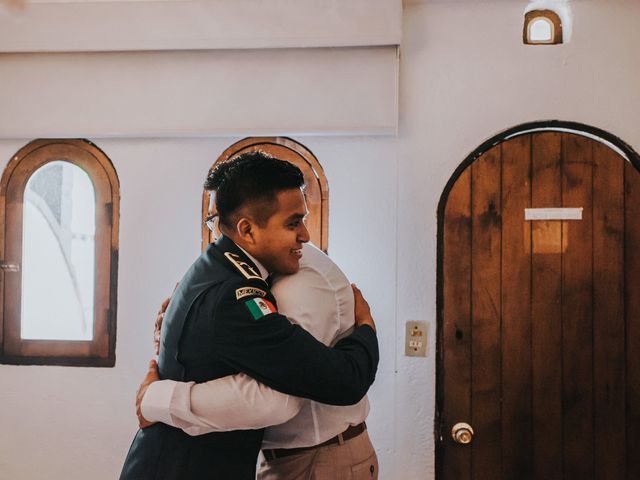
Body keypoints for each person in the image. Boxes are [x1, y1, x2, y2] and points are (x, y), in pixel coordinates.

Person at [119, 152, 379, 480]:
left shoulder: (214, 267)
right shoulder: (234, 296)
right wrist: (367, 327)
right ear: (248, 230)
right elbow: (339, 382)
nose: (306, 235)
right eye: (292, 222)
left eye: (304, 219)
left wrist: (158, 398)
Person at [140, 241, 378, 480]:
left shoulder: (302, 281)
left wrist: (157, 400)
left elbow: (278, 399)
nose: (221, 236)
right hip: (275, 458)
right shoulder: (234, 276)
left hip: (321, 459)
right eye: (214, 222)